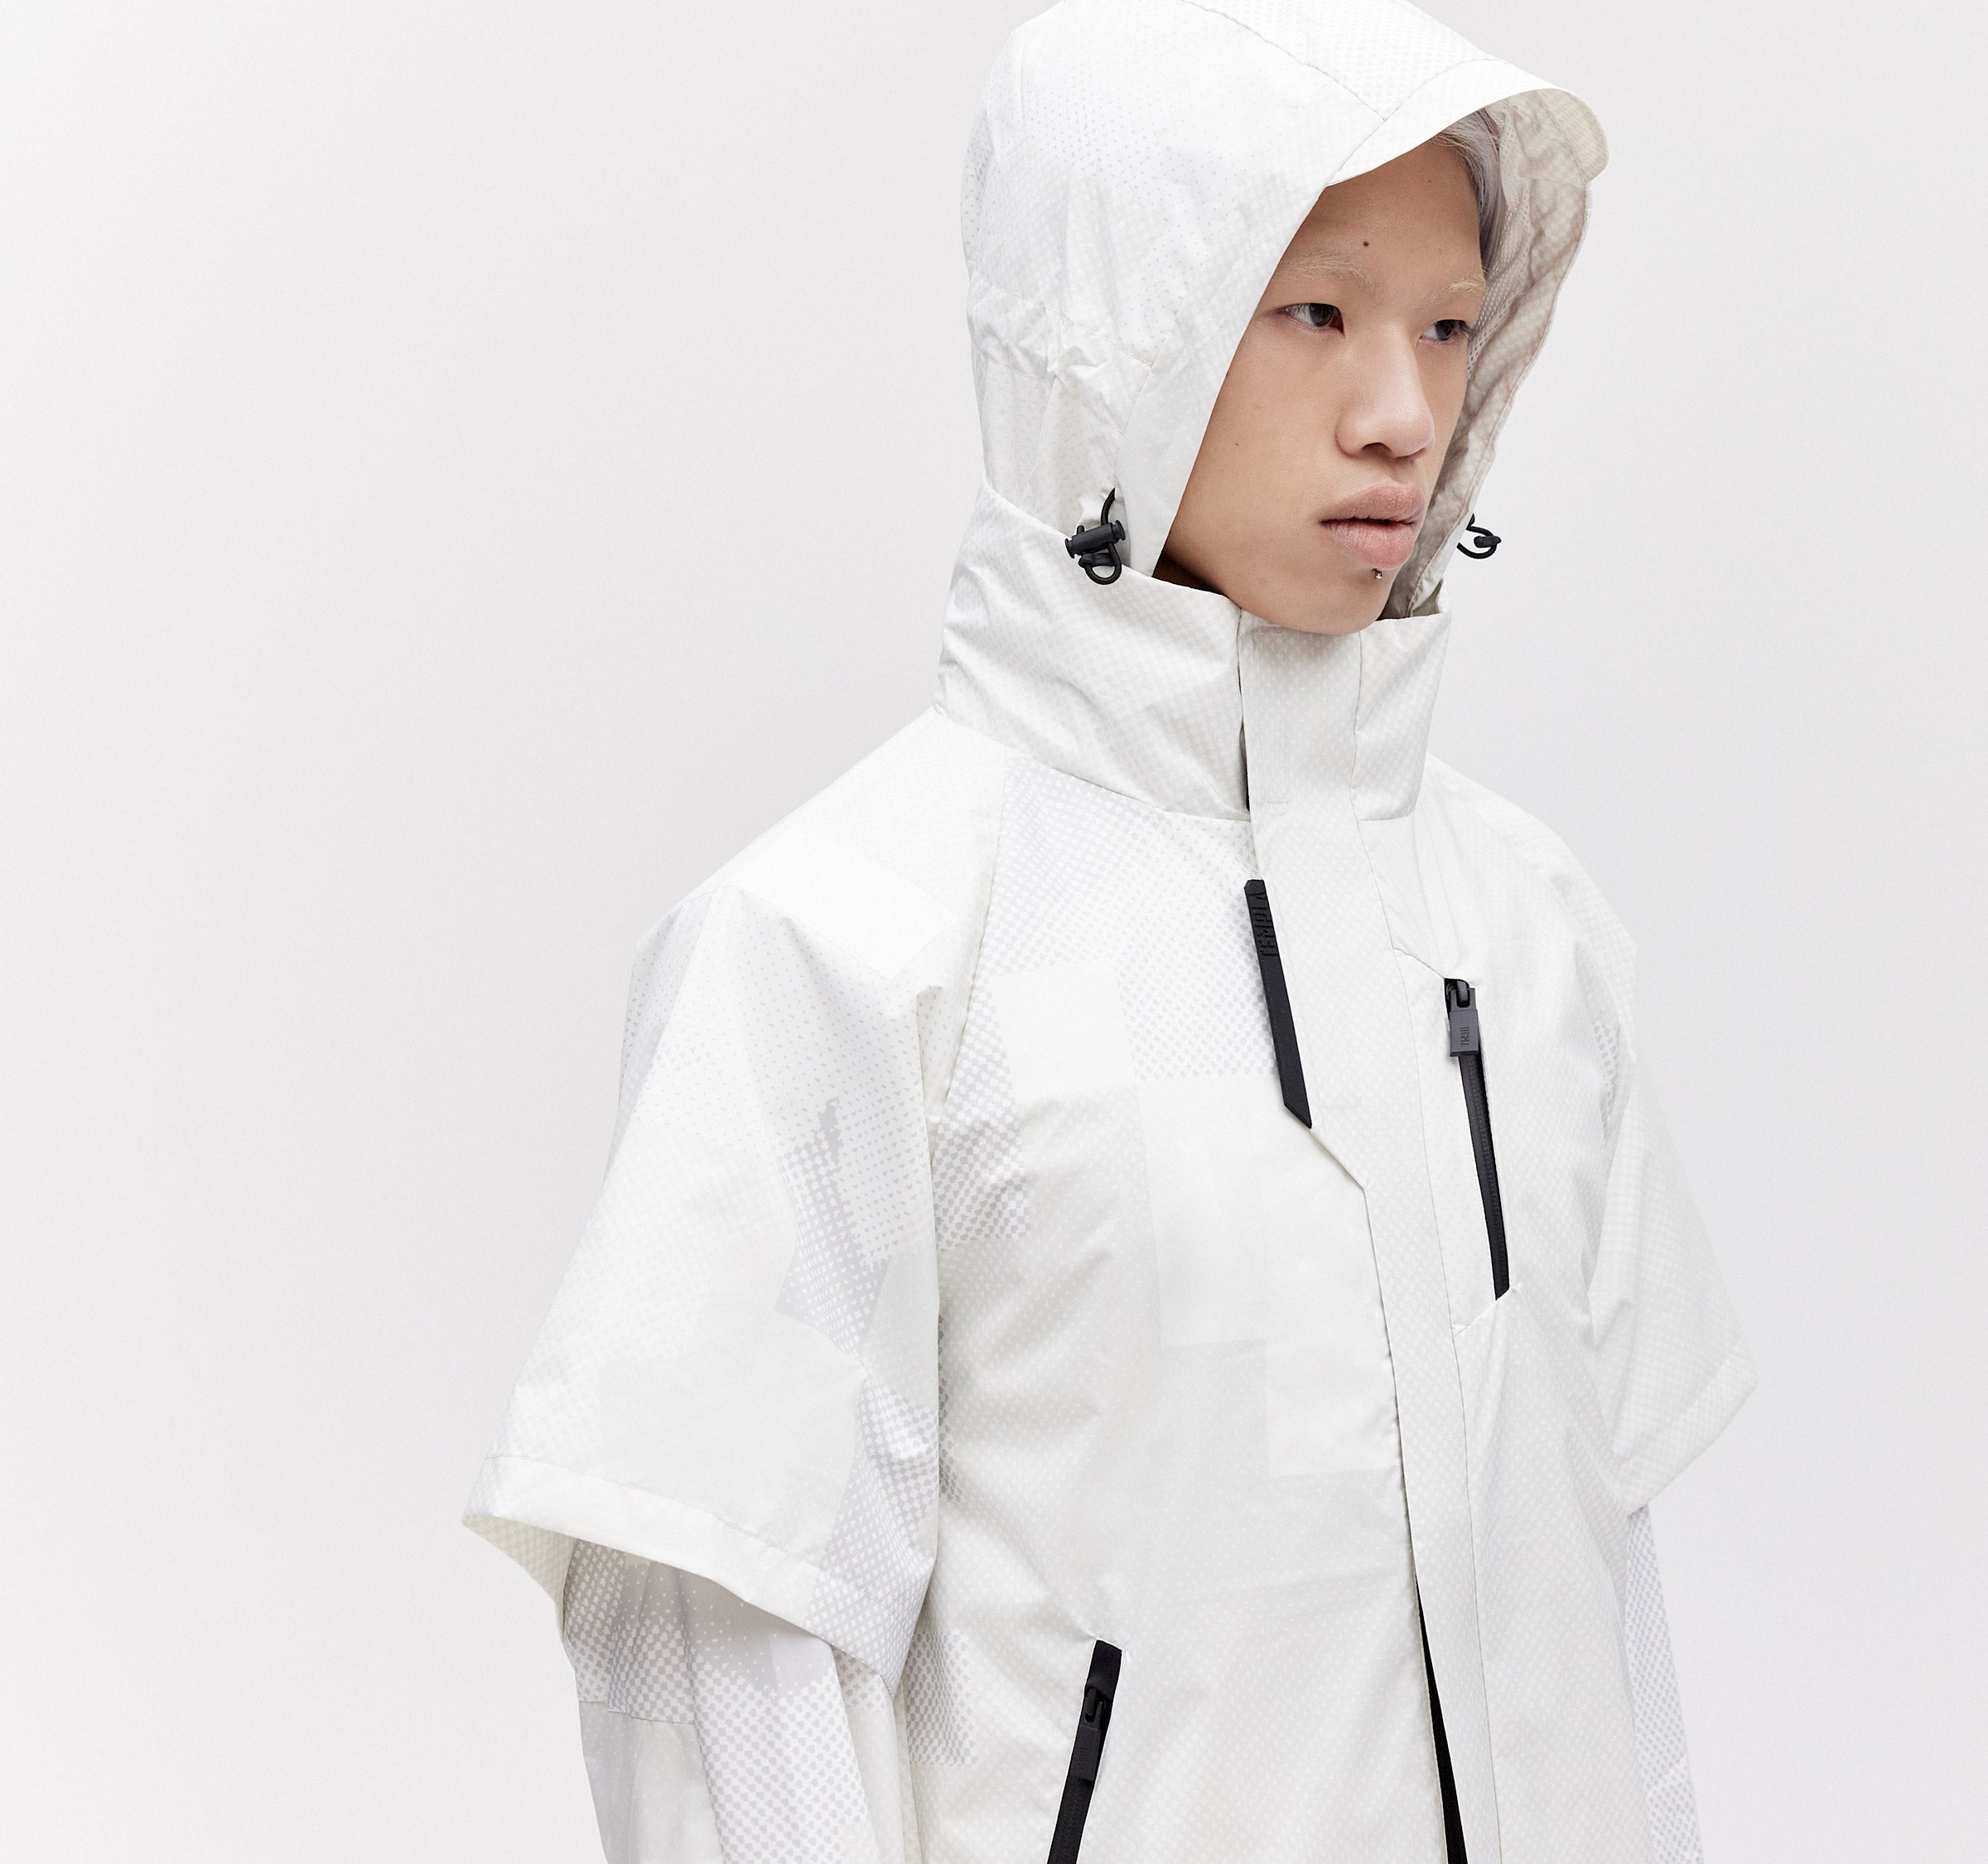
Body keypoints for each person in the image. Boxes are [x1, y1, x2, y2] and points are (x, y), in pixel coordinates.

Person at [466, 2, 1754, 1858]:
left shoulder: (1526, 921)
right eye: (1312, 310)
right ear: (1112, 341)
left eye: (1449, 328)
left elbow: (1606, 1602)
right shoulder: (847, 944)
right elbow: (724, 1657)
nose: (1404, 413)